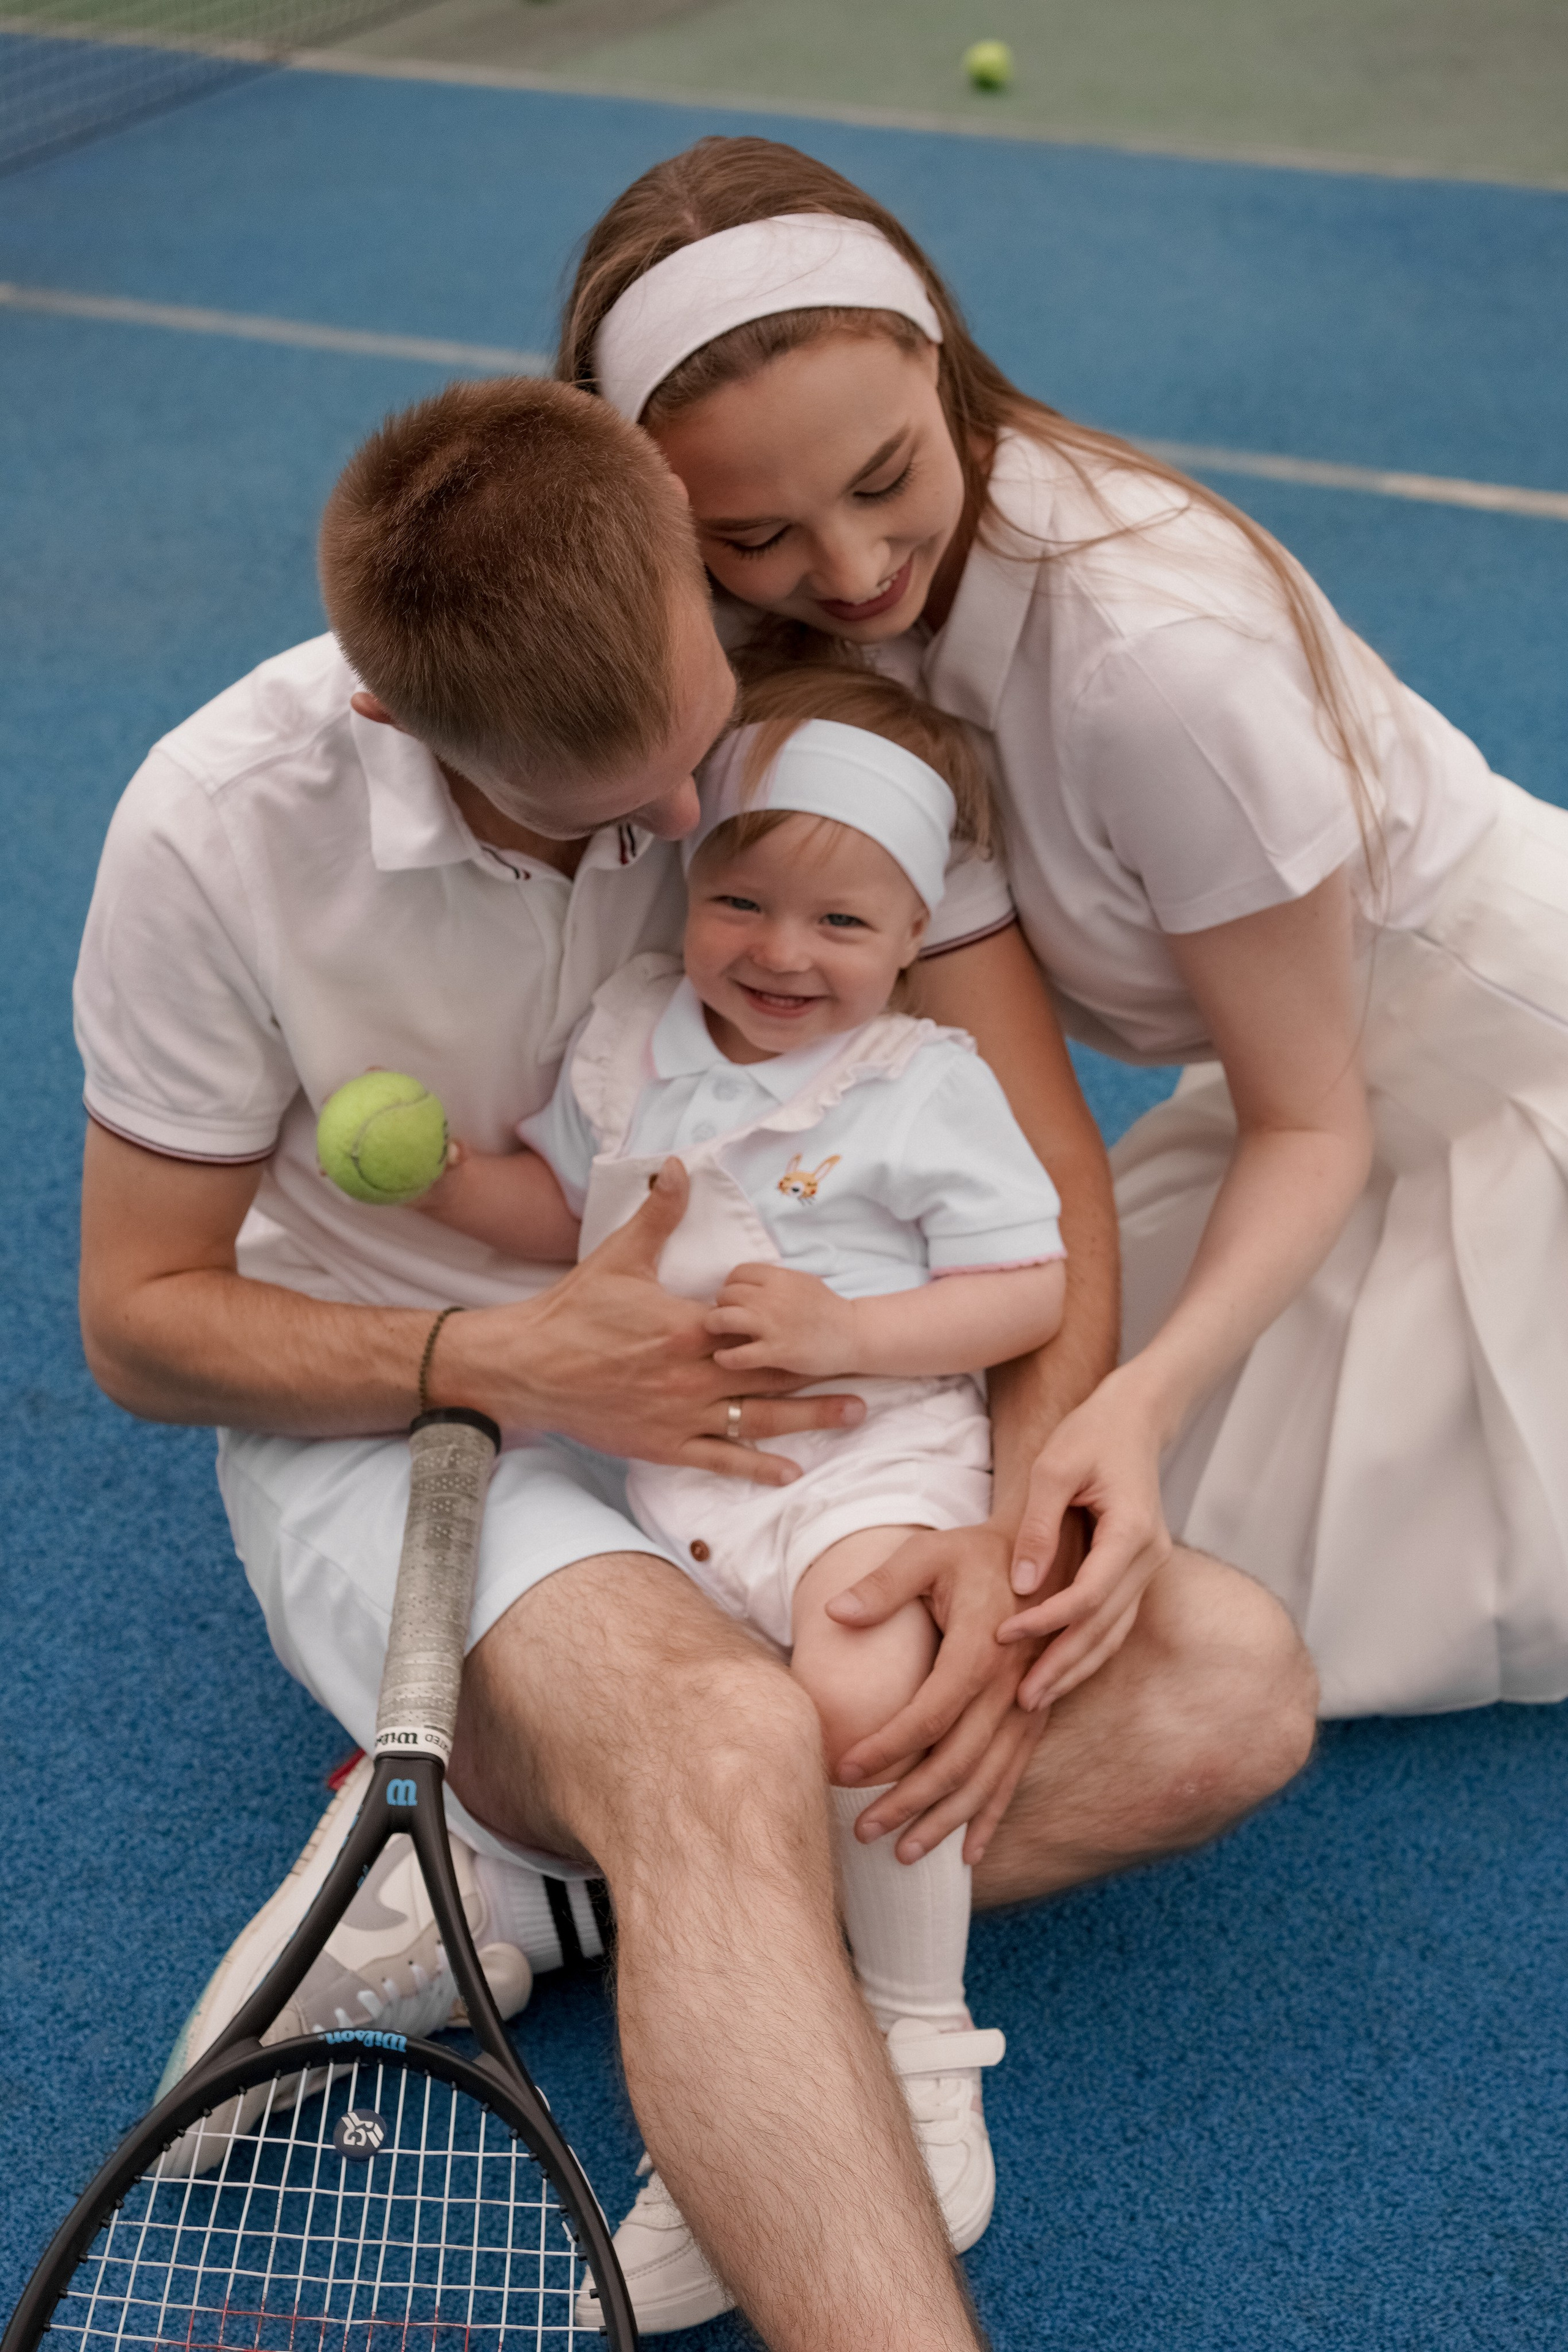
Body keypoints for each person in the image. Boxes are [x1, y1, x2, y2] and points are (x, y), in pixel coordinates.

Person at [75, 369, 1310, 2348]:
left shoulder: (801, 699)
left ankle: (547, 1880)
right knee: (733, 1747)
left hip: (809, 1436)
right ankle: (698, 1893)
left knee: (1232, 1689)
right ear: (397, 719)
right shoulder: (213, 835)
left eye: (695, 754)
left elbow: (1035, 1165)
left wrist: (996, 1523)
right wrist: (514, 1352)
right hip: (418, 1421)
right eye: (605, 810)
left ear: (676, 536)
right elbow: (141, 1325)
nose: (681, 830)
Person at [559, 136, 1568, 1722]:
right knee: (923, 1473)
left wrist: (1143, 1408)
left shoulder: (1157, 669)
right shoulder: (791, 630)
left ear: (942, 361)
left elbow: (1312, 1118)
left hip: (1490, 1098)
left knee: (1135, 1582)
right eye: (753, 536)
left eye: (886, 478)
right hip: (1292, 1107)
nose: (846, 571)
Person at [422, 668, 1068, 2319]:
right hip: (677, 1485)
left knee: (857, 1700)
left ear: (916, 929)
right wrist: (434, 1174)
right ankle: (749, 2120)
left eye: (842, 921)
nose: (783, 951)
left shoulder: (922, 1082)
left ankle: (917, 2030)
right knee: (714, 1773)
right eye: (743, 901)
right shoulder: (631, 1029)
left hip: (871, 1456)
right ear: (686, 887)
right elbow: (562, 1211)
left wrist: (852, 1326)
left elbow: (1025, 1286)